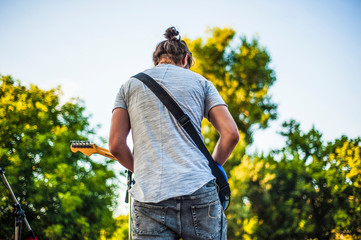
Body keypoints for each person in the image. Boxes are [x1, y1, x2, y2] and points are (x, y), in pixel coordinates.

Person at [109, 27, 239, 240]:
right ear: (186, 58)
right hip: (198, 189)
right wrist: (211, 168)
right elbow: (231, 134)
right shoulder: (202, 83)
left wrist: (143, 170)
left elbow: (115, 145)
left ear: (156, 60)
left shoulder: (128, 86)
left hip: (149, 196)